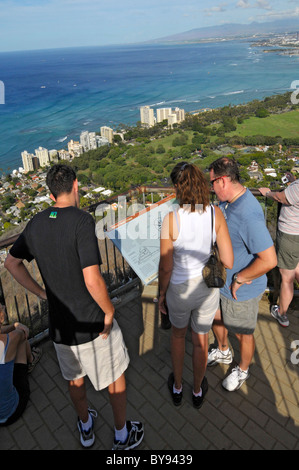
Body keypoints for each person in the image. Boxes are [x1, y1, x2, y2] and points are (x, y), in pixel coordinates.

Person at [4, 164, 144, 450]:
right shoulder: (82, 222)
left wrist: (42, 293)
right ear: (76, 185)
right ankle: (121, 435)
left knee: (75, 379)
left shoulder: (35, 224)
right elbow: (92, 279)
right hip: (92, 322)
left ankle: (85, 427)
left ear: (51, 192)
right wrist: (108, 312)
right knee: (115, 378)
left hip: (60, 325)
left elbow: (11, 263)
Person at [158, 162, 233, 409]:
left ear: (178, 189)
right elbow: (229, 261)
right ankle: (198, 390)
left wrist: (161, 296)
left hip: (179, 289)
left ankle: (178, 387)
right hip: (206, 288)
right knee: (200, 338)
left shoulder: (171, 220)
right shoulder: (215, 214)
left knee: (178, 336)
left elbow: (166, 267)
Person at [207, 157, 277, 392]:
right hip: (222, 281)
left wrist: (240, 278)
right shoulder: (229, 202)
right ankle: (224, 351)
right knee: (217, 318)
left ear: (223, 180)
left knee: (242, 334)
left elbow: (269, 259)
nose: (211, 188)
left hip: (240, 290)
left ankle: (243, 368)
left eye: (212, 183)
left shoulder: (248, 212)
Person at [259, 173, 299, 327]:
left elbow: (282, 198)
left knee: (287, 278)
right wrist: (293, 182)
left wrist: (267, 193)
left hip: (290, 235)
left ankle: (282, 314)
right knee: (296, 268)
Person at [0, 303, 42, 426]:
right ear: (1, 318)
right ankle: (31, 359)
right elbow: (23, 333)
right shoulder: (9, 339)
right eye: (1, 305)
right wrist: (16, 326)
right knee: (21, 341)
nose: (3, 305)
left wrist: (13, 325)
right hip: (10, 412)